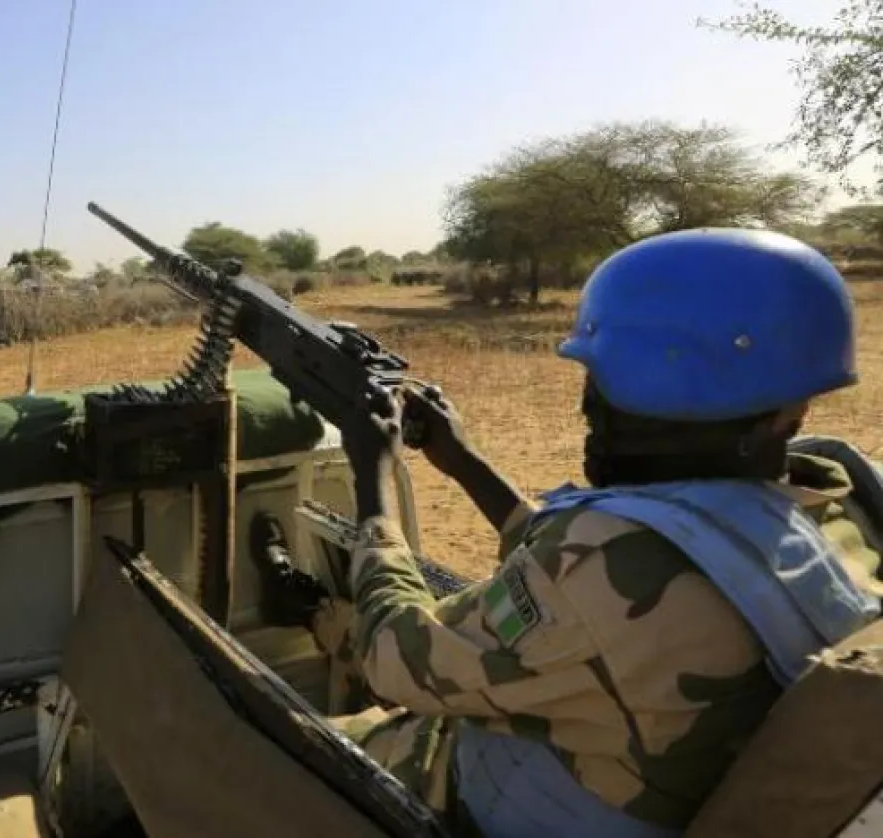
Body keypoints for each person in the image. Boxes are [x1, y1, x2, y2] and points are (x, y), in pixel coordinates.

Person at [249, 228, 883, 837]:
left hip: (453, 785)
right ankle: (310, 606)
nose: (587, 409)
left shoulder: (596, 574)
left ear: (659, 384)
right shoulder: (829, 515)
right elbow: (623, 564)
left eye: (598, 385)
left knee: (255, 751)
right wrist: (464, 463)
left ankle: (308, 613)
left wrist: (374, 478)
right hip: (628, 755)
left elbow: (392, 656)